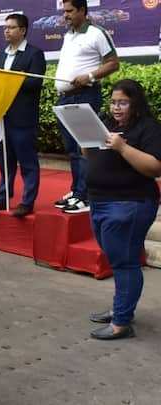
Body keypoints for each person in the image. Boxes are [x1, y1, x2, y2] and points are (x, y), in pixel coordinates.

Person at [86, 79, 161, 340]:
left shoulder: (148, 128)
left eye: (123, 102)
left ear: (135, 103)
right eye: (113, 101)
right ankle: (121, 308)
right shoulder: (108, 124)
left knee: (126, 263)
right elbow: (93, 158)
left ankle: (121, 323)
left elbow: (155, 167)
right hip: (99, 201)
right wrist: (85, 140)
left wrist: (122, 147)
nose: (116, 107)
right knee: (117, 260)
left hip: (130, 203)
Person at [54, 0, 120, 214]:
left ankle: (87, 196)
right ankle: (77, 191)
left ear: (82, 10)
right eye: (64, 11)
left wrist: (90, 76)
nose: (66, 15)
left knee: (85, 148)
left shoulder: (96, 33)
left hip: (84, 96)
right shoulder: (69, 34)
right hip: (65, 98)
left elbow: (113, 63)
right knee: (72, 150)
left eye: (70, 11)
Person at [0, 14, 46, 217]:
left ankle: (27, 201)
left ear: (23, 30)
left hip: (23, 118)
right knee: (5, 161)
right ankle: (3, 197)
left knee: (27, 163)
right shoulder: (1, 56)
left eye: (11, 27)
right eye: (5, 27)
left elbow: (34, 83)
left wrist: (9, 80)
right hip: (3, 117)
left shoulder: (34, 54)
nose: (6, 31)